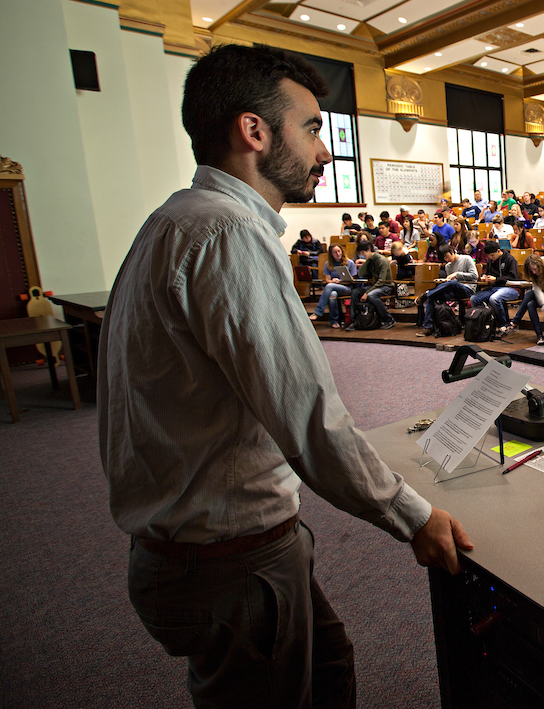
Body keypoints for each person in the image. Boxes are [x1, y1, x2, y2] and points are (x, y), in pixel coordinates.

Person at [98, 43, 470, 707]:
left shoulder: (171, 222)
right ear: (254, 131)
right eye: (313, 127)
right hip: (228, 566)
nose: (325, 150)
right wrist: (413, 517)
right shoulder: (227, 235)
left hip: (198, 551)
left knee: (328, 670)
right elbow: (307, 417)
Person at [505, 252, 544, 343]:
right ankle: (539, 336)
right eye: (531, 271)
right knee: (530, 304)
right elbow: (538, 292)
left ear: (540, 265)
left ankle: (515, 321)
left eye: (535, 269)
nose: (534, 272)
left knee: (529, 293)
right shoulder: (534, 275)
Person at [415, 243, 478, 335]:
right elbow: (449, 282)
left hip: (468, 288)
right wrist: (444, 281)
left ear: (451, 251)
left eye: (446, 256)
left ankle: (427, 294)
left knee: (452, 283)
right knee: (434, 296)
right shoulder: (448, 266)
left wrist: (457, 274)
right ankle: (428, 327)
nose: (446, 259)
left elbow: (474, 276)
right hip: (453, 289)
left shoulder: (466, 259)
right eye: (444, 258)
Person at [469, 240, 521, 330]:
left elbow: (513, 277)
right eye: (489, 256)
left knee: (494, 298)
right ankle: (483, 321)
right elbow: (488, 273)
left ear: (498, 251)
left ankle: (503, 325)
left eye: (492, 255)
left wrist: (496, 279)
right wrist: (485, 277)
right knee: (474, 299)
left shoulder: (510, 259)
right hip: (494, 288)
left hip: (511, 288)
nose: (491, 258)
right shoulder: (490, 260)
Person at [350, 241, 396, 330]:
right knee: (355, 292)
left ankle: (388, 319)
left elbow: (381, 281)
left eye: (363, 252)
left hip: (386, 286)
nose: (362, 255)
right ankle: (354, 321)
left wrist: (367, 293)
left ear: (369, 250)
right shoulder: (370, 261)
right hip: (376, 286)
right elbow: (360, 273)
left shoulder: (381, 260)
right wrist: (367, 261)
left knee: (371, 295)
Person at [309, 243, 356, 328]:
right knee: (332, 295)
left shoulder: (350, 262)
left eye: (339, 251)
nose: (338, 254)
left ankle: (318, 312)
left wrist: (340, 281)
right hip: (334, 287)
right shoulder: (328, 264)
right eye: (335, 252)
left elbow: (351, 279)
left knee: (329, 286)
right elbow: (327, 280)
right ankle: (334, 321)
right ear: (331, 254)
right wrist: (333, 281)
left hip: (347, 287)